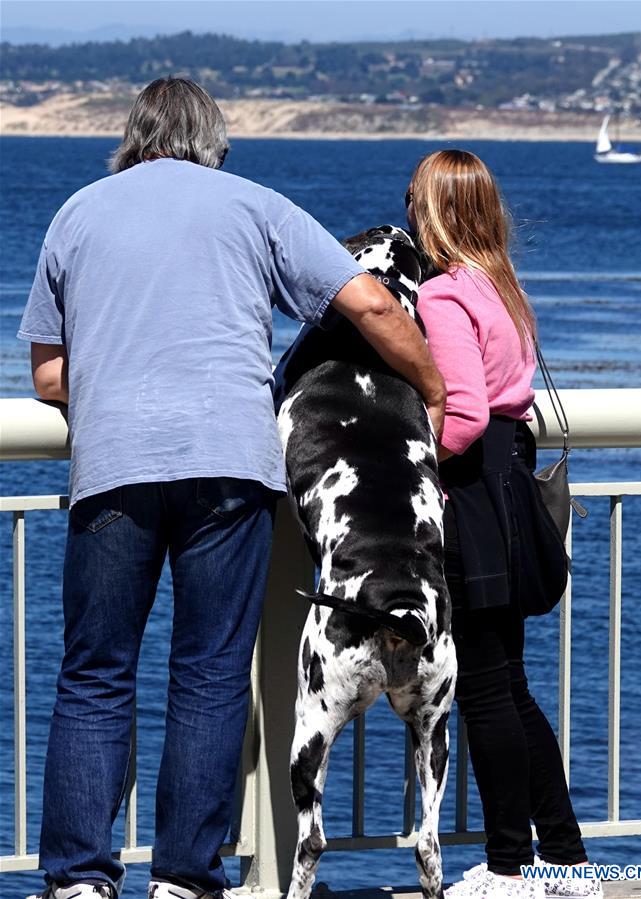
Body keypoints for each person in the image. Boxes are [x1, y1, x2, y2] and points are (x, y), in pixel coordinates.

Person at [19, 78, 446, 899]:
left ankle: (79, 879)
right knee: (210, 671)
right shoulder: (254, 206)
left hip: (114, 467)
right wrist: (432, 390)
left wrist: (123, 377)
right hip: (228, 464)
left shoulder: (77, 213)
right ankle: (184, 878)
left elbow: (47, 377)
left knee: (96, 671)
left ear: (133, 135)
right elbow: (372, 305)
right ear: (214, 141)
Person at [406, 150, 602, 899]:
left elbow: (461, 417)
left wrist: (409, 466)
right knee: (511, 685)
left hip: (472, 494)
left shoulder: (448, 296)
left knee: (485, 688)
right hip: (511, 488)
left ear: (438, 212)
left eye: (415, 200)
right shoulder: (502, 285)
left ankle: (508, 866)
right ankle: (568, 858)